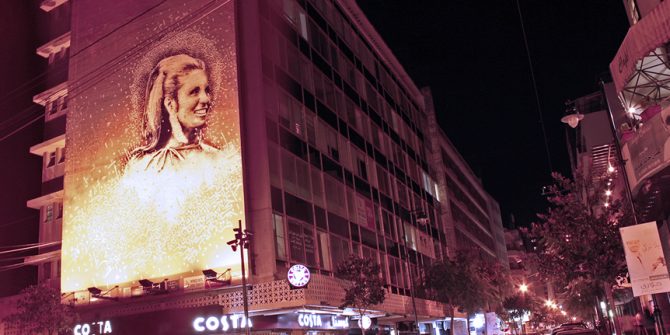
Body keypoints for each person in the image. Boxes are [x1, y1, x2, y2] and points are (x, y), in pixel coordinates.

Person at [126, 53, 218, 172]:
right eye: (194, 91)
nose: (206, 99)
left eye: (206, 91)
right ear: (170, 104)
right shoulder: (142, 167)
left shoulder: (219, 158)